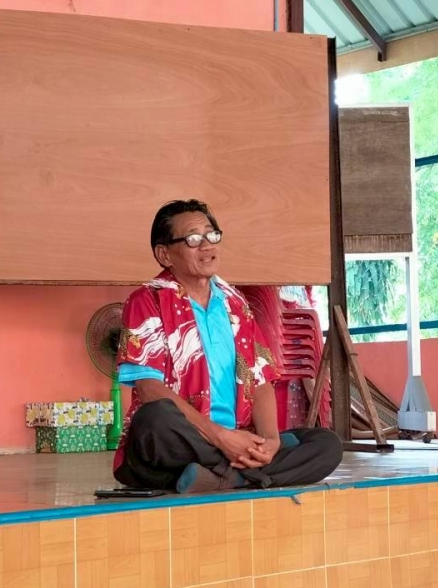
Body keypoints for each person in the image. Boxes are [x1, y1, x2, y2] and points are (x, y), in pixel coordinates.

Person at [113, 199, 343, 493]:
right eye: (193, 239)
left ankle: (224, 475)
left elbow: (259, 379)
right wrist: (222, 439)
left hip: (237, 436)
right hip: (187, 439)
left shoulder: (235, 303)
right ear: (164, 254)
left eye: (212, 235)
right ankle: (244, 473)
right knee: (154, 419)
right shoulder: (148, 300)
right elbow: (149, 389)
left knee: (326, 444)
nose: (207, 246)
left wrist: (271, 441)